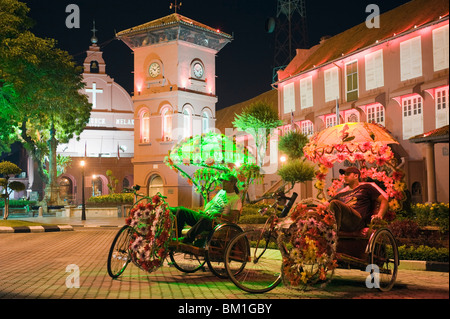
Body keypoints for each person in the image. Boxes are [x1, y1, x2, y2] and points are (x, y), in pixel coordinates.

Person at [171, 174, 242, 244]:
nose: (223, 183)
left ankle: (187, 239)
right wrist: (205, 211)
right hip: (205, 217)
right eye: (222, 181)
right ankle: (177, 238)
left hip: (216, 223)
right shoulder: (221, 192)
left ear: (232, 183)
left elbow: (232, 218)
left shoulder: (235, 199)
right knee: (181, 211)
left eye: (225, 181)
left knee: (205, 219)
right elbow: (212, 204)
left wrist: (217, 214)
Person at [328, 167, 388, 232]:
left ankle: (333, 232)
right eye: (344, 175)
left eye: (347, 174)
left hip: (357, 220)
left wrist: (380, 215)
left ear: (356, 176)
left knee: (335, 203)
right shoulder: (340, 194)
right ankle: (332, 230)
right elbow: (326, 205)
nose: (344, 176)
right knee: (321, 210)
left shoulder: (366, 187)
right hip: (342, 220)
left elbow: (384, 200)